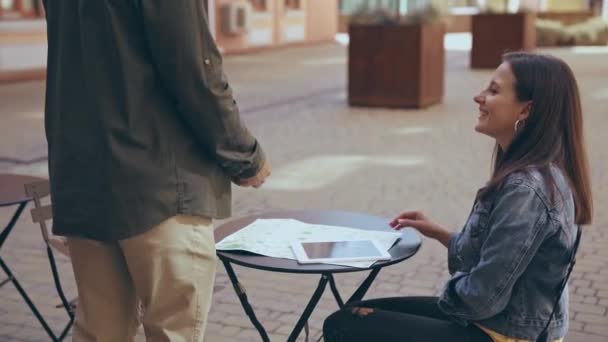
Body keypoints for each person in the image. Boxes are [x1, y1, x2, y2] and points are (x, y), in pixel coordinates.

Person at [323, 52, 593, 342]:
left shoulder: (526, 190)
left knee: (344, 325)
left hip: (505, 332)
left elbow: (482, 298)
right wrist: (441, 234)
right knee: (355, 311)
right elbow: (489, 259)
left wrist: (446, 296)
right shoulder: (531, 172)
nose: (479, 97)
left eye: (493, 90)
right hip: (499, 321)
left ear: (525, 110)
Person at [42, 1, 270, 341]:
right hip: (158, 182)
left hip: (85, 174)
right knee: (172, 331)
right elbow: (195, 70)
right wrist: (246, 156)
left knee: (100, 332)